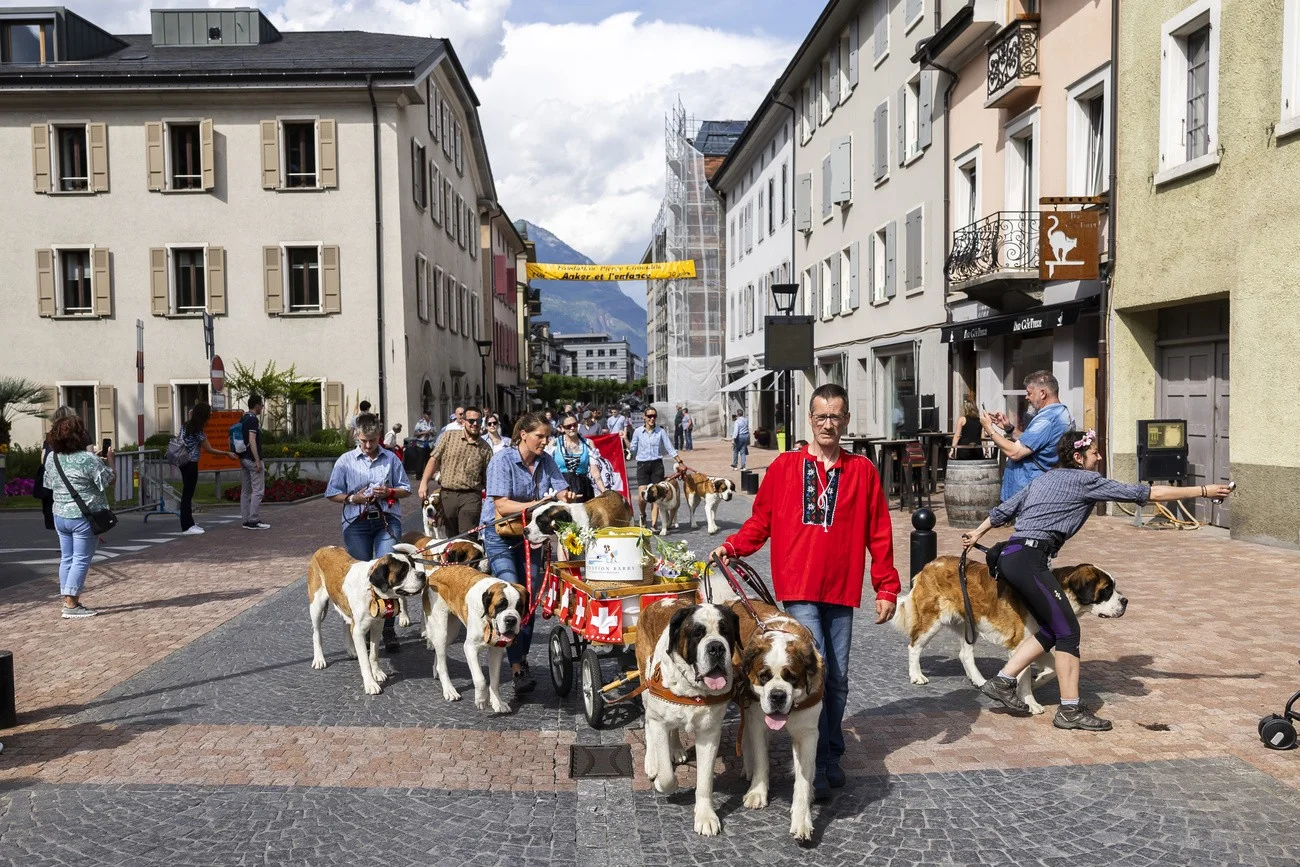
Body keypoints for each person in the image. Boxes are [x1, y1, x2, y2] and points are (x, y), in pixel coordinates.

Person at [961, 429, 1234, 732]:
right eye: (1094, 452)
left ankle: (1003, 681)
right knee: (1069, 632)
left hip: (1012, 556)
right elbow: (1147, 494)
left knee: (1054, 630)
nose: (1100, 456)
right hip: (1029, 560)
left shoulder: (1045, 477)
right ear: (1078, 458)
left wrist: (977, 533)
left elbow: (1006, 509)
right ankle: (1069, 710)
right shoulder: (1086, 480)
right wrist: (1204, 491)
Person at [711, 384, 900, 800]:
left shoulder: (862, 471)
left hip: (843, 587)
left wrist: (885, 586)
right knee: (816, 668)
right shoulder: (784, 467)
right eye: (821, 417)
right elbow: (761, 521)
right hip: (798, 589)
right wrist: (732, 546)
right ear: (809, 420)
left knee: (839, 678)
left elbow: (879, 532)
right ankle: (816, 764)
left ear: (846, 420)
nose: (828, 424)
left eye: (836, 416)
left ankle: (831, 749)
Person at [481, 412, 576, 693]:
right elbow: (502, 505)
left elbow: (560, 489)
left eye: (547, 437)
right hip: (500, 535)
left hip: (531, 536)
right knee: (510, 591)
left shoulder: (545, 460)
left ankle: (519, 657)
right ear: (523, 434)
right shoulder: (502, 460)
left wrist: (564, 496)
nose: (545, 442)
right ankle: (516, 667)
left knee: (529, 597)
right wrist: (537, 504)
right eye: (540, 436)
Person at [325, 413, 413, 652]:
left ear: (378, 437)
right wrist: (354, 497)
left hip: (386, 520)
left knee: (389, 569)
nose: (367, 445)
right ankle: (362, 625)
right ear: (356, 435)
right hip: (357, 523)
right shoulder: (345, 461)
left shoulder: (391, 459)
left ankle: (387, 627)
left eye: (372, 441)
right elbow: (332, 493)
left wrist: (390, 492)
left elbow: (407, 489)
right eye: (363, 440)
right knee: (361, 575)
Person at [44, 414, 115, 618]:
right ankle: (71, 604)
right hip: (84, 517)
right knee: (81, 560)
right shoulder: (88, 459)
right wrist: (110, 462)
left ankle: (67, 598)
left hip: (60, 514)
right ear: (79, 436)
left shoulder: (52, 457)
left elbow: (49, 484)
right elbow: (109, 481)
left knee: (67, 558)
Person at [983, 371, 1074, 502]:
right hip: (1037, 489)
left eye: (1029, 393)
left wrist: (989, 429)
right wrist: (1009, 428)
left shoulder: (1046, 420)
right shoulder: (1063, 413)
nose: (1026, 397)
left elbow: (1014, 453)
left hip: (1030, 492)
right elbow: (1036, 442)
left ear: (1042, 393)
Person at [418, 405, 493, 536]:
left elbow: (489, 477)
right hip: (447, 494)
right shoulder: (448, 437)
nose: (475, 424)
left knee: (467, 537)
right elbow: (434, 459)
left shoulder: (486, 448)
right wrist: (424, 482)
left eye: (479, 421)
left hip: (471, 496)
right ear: (463, 421)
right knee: (450, 536)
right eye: (471, 421)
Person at [178, 402, 237, 535]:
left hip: (182, 463)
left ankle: (190, 523)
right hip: (192, 463)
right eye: (208, 414)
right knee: (187, 495)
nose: (210, 417)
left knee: (186, 494)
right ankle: (187, 526)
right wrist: (227, 453)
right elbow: (209, 449)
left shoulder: (185, 426)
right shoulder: (198, 432)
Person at [628, 407, 685, 526]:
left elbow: (670, 447)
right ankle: (643, 514)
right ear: (644, 417)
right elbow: (632, 450)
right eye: (649, 416)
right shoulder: (638, 432)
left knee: (655, 496)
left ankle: (654, 524)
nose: (652, 418)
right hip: (642, 466)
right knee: (641, 496)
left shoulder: (660, 431)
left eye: (654, 416)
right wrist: (624, 439)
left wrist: (680, 462)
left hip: (657, 465)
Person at [35, 405, 79, 532]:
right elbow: (89, 453)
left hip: (54, 483)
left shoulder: (50, 436)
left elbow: (43, 458)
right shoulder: (80, 435)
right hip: (73, 481)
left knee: (59, 517)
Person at [549, 414, 606, 503]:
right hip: (561, 488)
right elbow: (548, 471)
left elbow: (595, 473)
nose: (572, 428)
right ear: (562, 428)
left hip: (583, 488)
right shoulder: (554, 444)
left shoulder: (588, 443)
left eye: (574, 425)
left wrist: (604, 491)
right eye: (568, 426)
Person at [238, 394, 269, 530]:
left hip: (243, 457)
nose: (262, 407)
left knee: (245, 490)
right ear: (256, 405)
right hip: (251, 458)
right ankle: (254, 520)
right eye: (261, 405)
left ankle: (246, 519)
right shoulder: (253, 420)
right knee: (258, 490)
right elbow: (252, 440)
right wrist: (257, 460)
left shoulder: (243, 418)